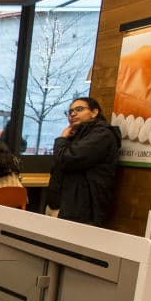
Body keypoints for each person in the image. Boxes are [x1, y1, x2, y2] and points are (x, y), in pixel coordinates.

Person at [47, 97, 121, 226]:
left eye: (79, 109)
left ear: (94, 112)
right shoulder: (78, 134)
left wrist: (62, 139)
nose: (73, 114)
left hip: (83, 209)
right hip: (64, 204)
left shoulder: (102, 135)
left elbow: (67, 159)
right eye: (70, 111)